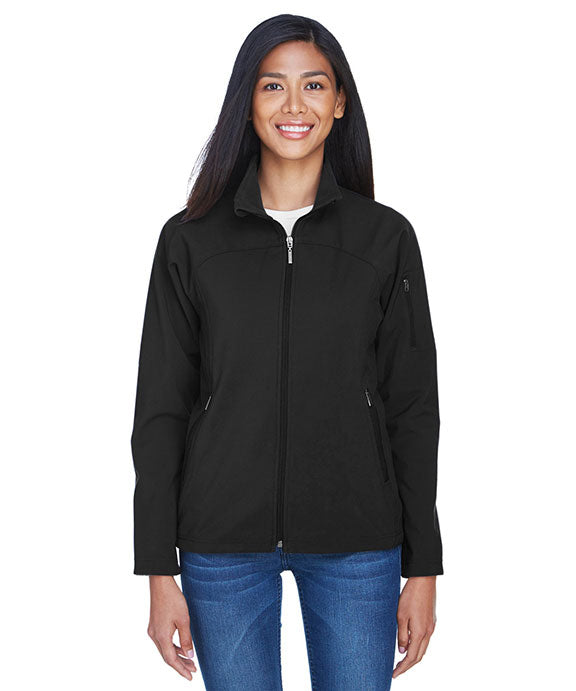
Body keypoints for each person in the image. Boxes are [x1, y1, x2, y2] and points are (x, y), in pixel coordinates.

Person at [130, 14, 444, 691]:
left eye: (314, 85)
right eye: (273, 85)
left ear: (339, 103)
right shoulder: (190, 241)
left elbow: (414, 407)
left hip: (359, 539)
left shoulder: (385, 239)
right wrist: (157, 567)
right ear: (247, 102)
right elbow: (160, 409)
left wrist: (423, 567)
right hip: (221, 540)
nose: (294, 105)